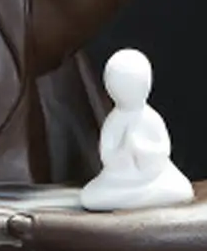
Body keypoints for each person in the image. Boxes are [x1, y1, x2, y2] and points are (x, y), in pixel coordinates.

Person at [80, 49, 193, 211]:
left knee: (178, 188)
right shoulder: (114, 121)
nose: (128, 92)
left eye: (133, 85)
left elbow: (163, 149)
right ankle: (130, 195)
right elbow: (107, 153)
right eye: (122, 86)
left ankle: (145, 194)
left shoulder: (150, 117)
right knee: (91, 196)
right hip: (119, 179)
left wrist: (142, 150)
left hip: (153, 176)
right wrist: (122, 154)